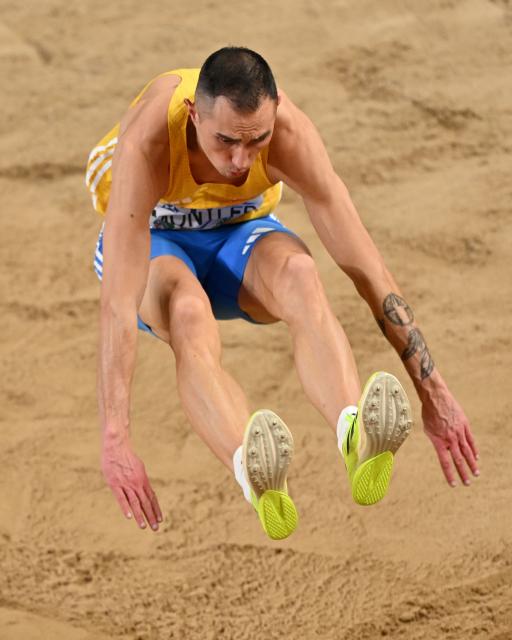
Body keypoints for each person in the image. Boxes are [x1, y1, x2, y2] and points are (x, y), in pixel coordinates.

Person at [87, 47, 479, 540]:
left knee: (299, 273)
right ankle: (255, 472)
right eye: (226, 141)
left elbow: (368, 270)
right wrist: (115, 439)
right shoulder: (148, 143)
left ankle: (355, 433)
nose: (240, 161)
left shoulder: (289, 136)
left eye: (257, 142)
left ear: (273, 115)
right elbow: (118, 307)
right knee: (187, 311)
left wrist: (434, 392)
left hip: (237, 234)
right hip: (155, 240)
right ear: (193, 113)